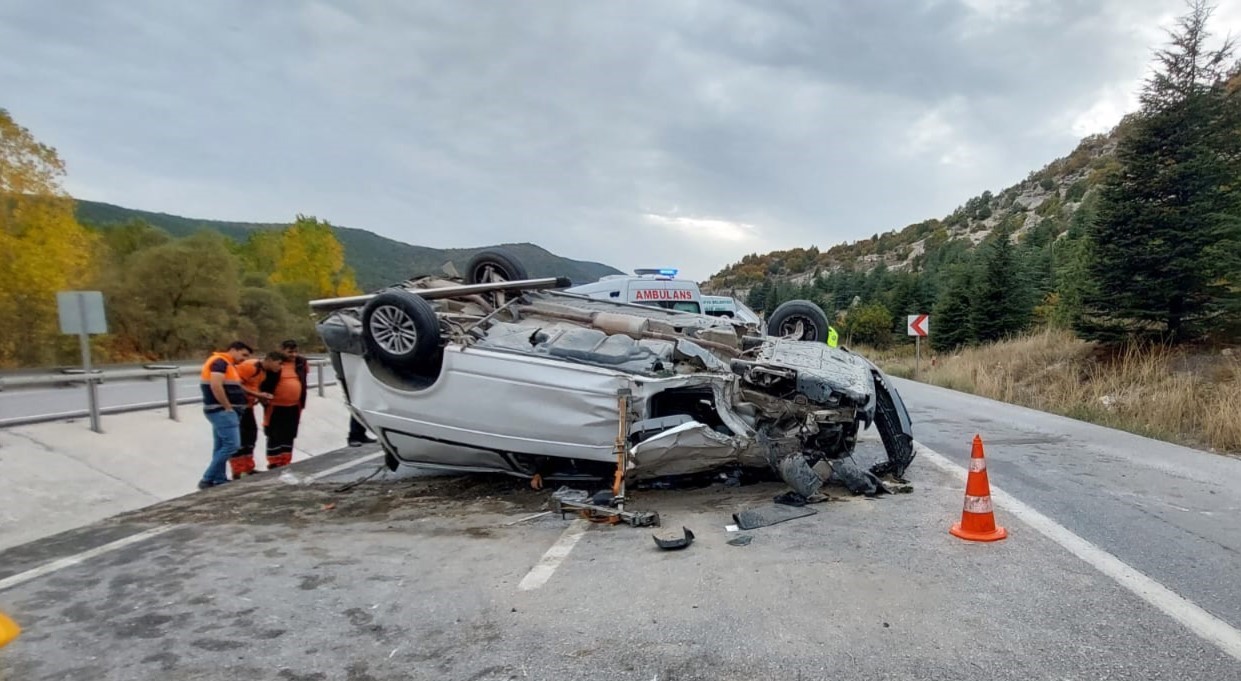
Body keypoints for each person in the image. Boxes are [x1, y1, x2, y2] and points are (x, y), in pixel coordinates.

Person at [198, 341, 253, 489]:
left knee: (220, 446)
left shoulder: (228, 364)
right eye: (243, 355)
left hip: (221, 411)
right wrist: (227, 406)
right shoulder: (220, 362)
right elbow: (216, 385)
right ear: (233, 350)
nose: (244, 359)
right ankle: (207, 478)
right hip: (222, 411)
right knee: (232, 445)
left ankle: (218, 479)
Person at [228, 350, 284, 478]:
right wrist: (257, 394)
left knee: (250, 437)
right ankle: (238, 470)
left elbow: (253, 387)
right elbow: (236, 384)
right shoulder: (250, 366)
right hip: (238, 407)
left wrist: (260, 397)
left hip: (248, 407)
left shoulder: (263, 373)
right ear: (269, 359)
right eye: (278, 363)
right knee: (240, 439)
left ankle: (248, 468)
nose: (279, 367)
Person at [260, 339, 308, 469]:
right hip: (275, 406)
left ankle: (286, 462)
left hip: (294, 406)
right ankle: (274, 463)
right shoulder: (274, 362)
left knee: (290, 434)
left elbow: (303, 380)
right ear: (281, 350)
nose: (293, 355)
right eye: (290, 352)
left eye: (295, 352)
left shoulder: (300, 363)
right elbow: (262, 381)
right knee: (274, 434)